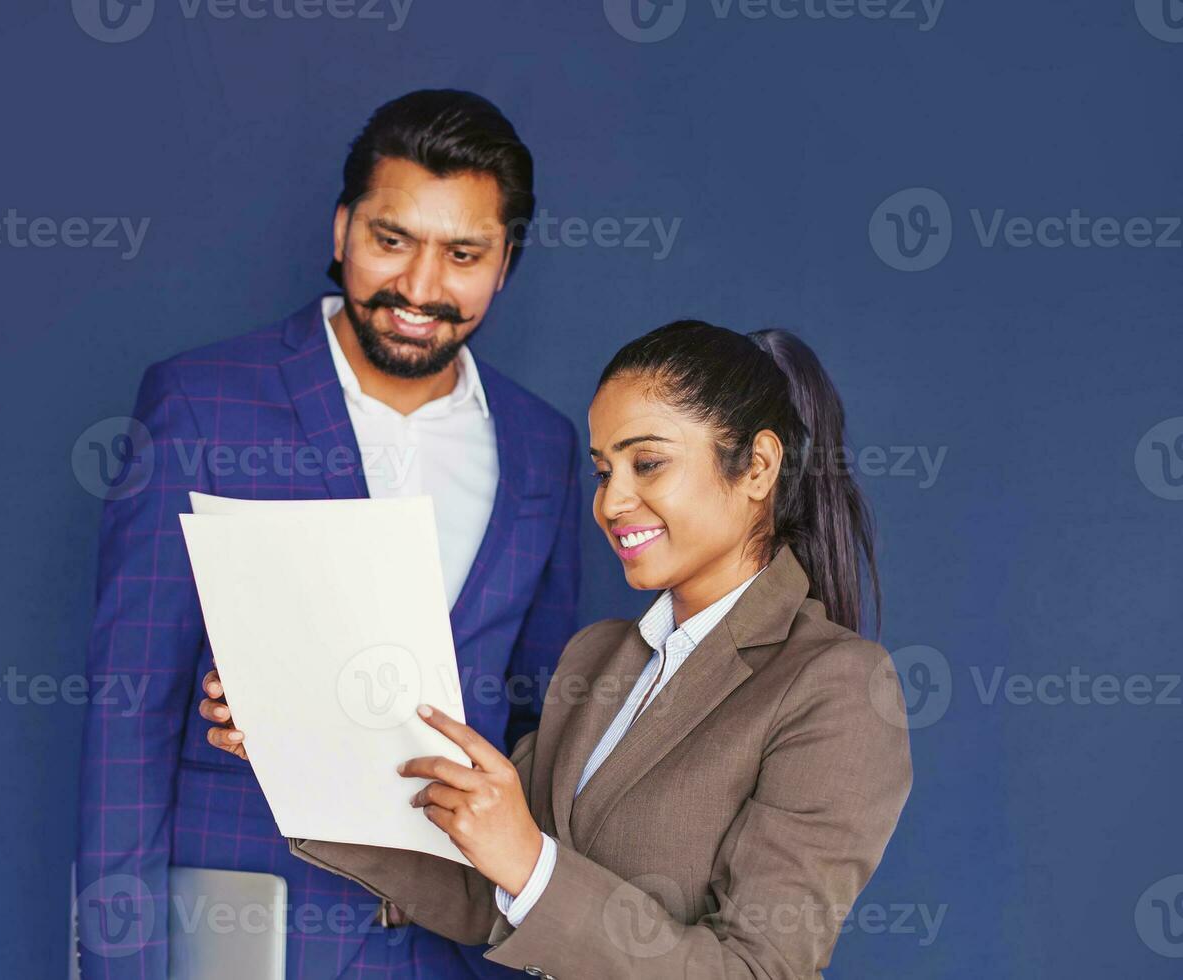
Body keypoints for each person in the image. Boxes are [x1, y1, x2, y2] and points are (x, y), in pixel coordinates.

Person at [202, 320, 914, 978]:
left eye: (649, 464)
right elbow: (489, 892)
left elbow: (757, 971)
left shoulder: (836, 686)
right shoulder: (597, 659)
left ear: (758, 467)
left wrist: (532, 864)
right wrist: (299, 743)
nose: (610, 502)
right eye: (605, 470)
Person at [76, 90, 583, 980]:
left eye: (463, 254)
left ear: (505, 264)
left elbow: (543, 722)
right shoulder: (201, 402)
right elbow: (130, 713)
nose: (422, 289)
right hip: (255, 930)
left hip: (456, 949)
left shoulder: (543, 445)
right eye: (392, 241)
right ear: (343, 229)